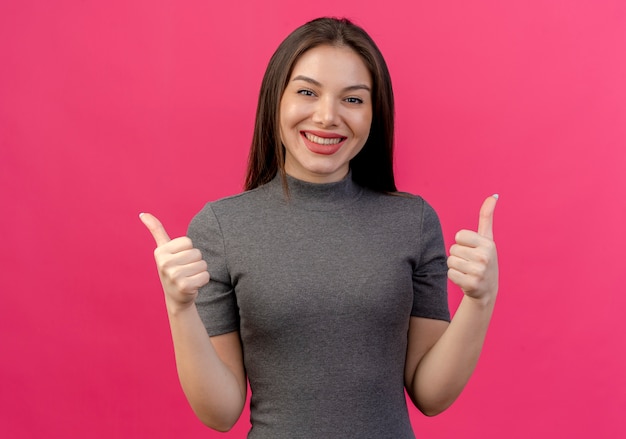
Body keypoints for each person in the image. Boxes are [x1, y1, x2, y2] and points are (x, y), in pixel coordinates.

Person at [140, 17, 499, 438]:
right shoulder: (222, 228)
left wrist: (480, 300)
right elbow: (220, 413)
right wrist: (179, 309)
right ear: (276, 99)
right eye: (307, 92)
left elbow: (430, 395)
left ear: (374, 113)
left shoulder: (413, 223)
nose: (328, 116)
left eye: (353, 99)